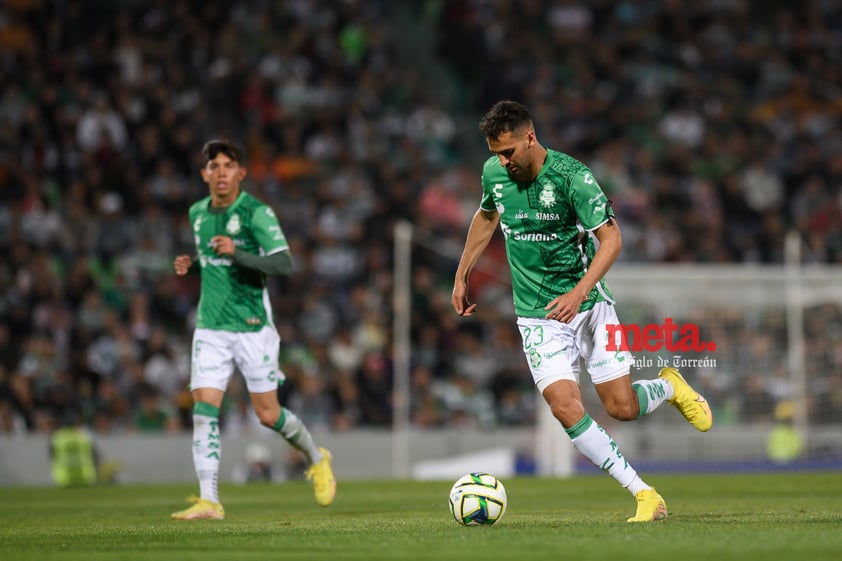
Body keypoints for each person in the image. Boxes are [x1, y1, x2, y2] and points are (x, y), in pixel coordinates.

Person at [451, 101, 712, 522]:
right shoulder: (493, 173)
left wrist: (578, 293)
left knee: (622, 408)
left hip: (589, 307)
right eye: (494, 153)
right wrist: (462, 273)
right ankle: (644, 494)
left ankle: (669, 386)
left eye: (508, 152)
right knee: (564, 406)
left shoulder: (574, 178)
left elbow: (612, 240)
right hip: (537, 317)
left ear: (530, 137)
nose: (501, 161)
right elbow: (485, 217)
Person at [171, 139, 335, 520]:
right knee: (204, 407)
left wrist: (238, 253)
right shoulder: (197, 212)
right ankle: (209, 499)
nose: (222, 172)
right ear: (205, 174)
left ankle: (315, 456)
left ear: (241, 173)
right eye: (215, 166)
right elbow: (214, 260)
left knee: (267, 413)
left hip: (252, 327)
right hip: (210, 327)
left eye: (229, 165)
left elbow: (284, 264)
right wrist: (193, 266)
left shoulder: (256, 213)